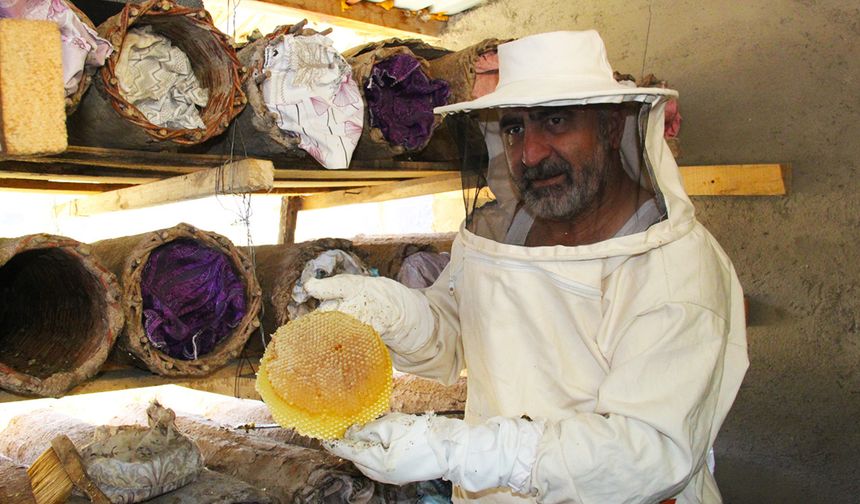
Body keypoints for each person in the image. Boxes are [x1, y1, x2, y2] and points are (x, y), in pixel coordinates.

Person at [304, 30, 749, 503]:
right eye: (515, 128)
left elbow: (646, 453)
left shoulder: (674, 266)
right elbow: (454, 338)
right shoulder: (503, 232)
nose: (530, 154)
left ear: (613, 126)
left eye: (555, 121)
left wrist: (460, 451)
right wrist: (393, 312)